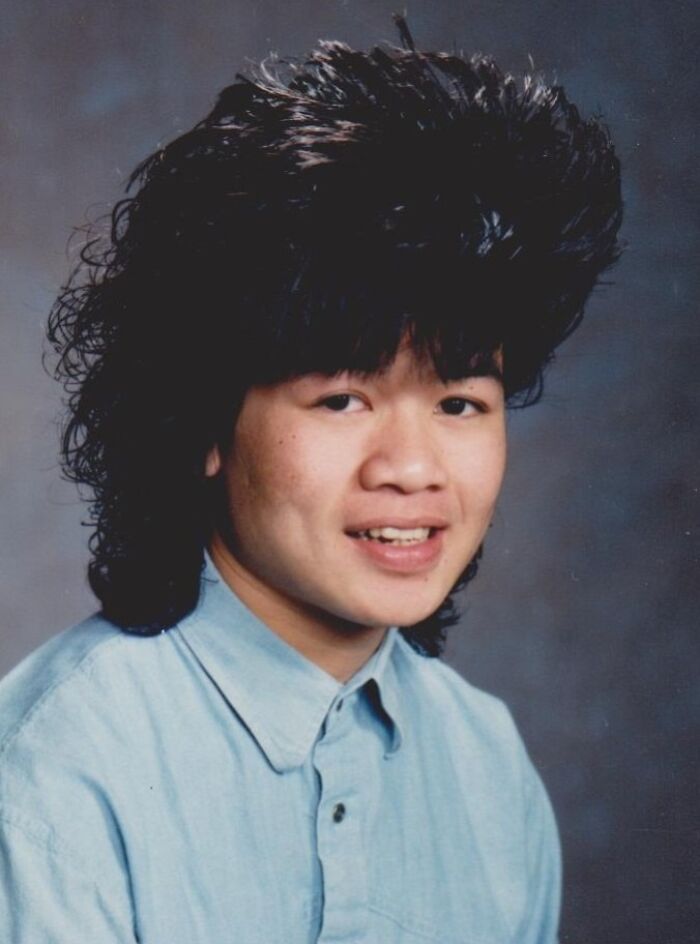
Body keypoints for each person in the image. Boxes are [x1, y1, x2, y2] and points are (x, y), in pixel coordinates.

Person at [0, 16, 622, 943]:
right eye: (341, 400)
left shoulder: (488, 765)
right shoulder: (54, 767)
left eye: (459, 404)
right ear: (204, 423)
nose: (412, 471)